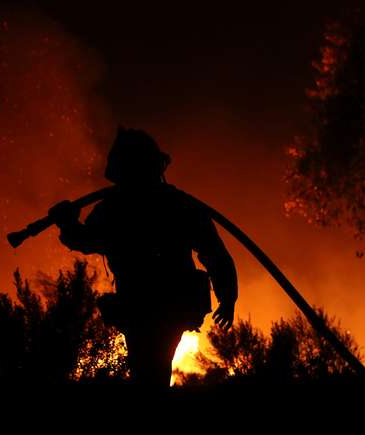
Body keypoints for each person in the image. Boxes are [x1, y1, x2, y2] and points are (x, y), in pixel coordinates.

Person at [50, 127, 238, 387]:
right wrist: (68, 223)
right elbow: (214, 251)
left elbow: (213, 251)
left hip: (157, 304)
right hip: (152, 304)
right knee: (151, 369)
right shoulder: (166, 204)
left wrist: (228, 296)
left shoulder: (126, 207)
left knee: (149, 369)